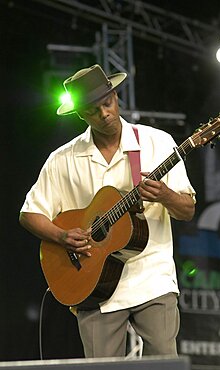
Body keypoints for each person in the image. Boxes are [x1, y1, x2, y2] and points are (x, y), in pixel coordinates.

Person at [19, 64, 196, 358]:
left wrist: (165, 194)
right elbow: (29, 214)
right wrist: (62, 236)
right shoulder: (63, 159)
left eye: (107, 103)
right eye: (92, 110)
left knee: (164, 360)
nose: (104, 114)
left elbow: (187, 210)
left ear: (116, 95)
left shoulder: (156, 142)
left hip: (152, 277)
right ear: (79, 114)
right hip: (93, 286)